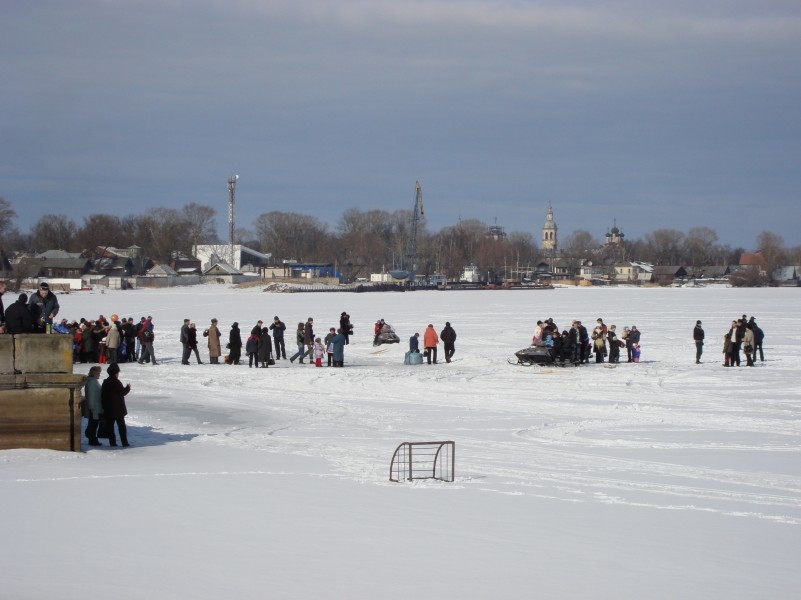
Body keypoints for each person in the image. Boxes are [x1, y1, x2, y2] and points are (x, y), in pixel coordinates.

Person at [101, 363, 131, 447]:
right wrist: (127, 388)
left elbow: (103, 395)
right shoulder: (116, 382)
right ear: (116, 373)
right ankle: (124, 442)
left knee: (110, 427)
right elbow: (122, 392)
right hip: (118, 409)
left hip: (109, 408)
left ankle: (112, 442)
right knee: (121, 427)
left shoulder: (106, 382)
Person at [83, 366, 103, 446]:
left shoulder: (92, 381)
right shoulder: (92, 382)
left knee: (93, 424)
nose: (99, 374)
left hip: (94, 406)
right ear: (93, 373)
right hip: (94, 407)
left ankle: (93, 439)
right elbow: (91, 395)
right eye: (98, 373)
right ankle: (92, 439)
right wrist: (91, 407)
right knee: (93, 424)